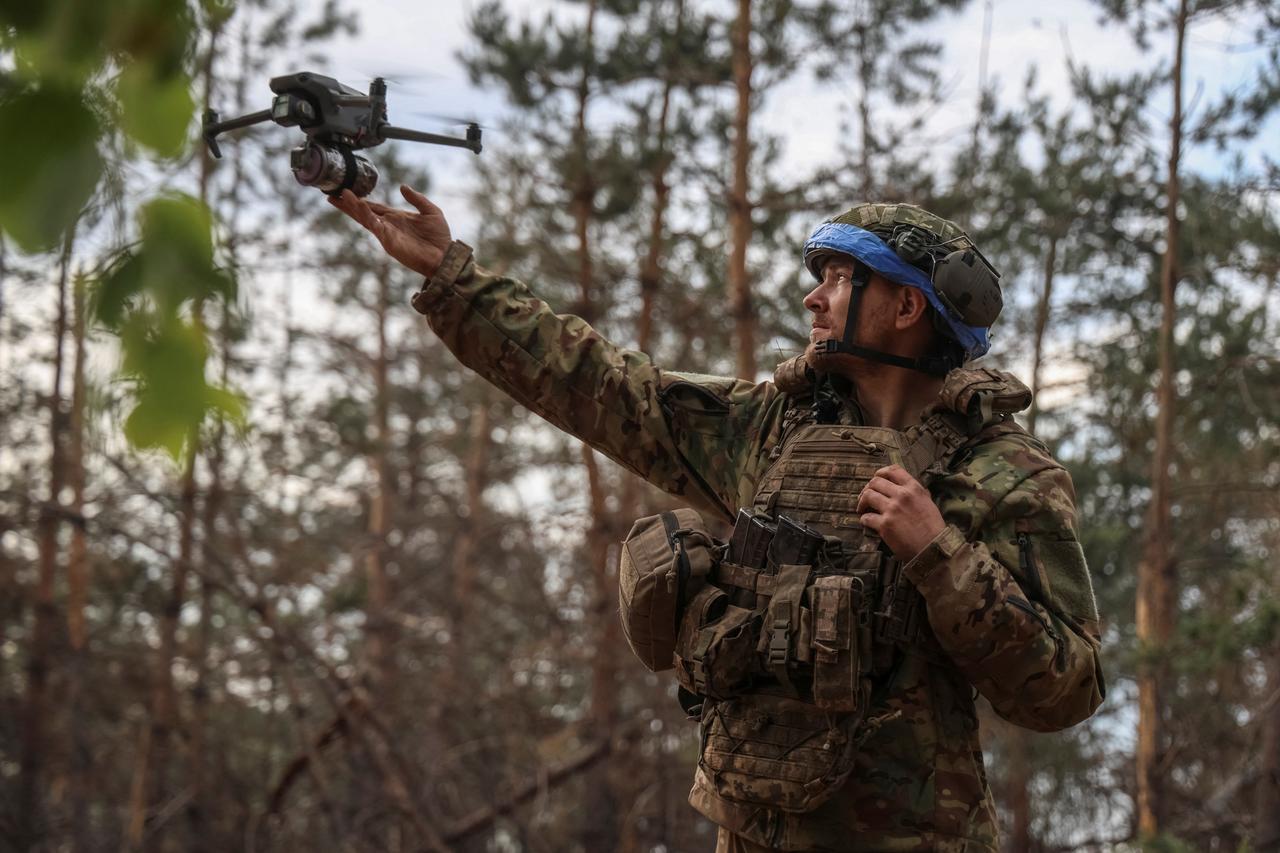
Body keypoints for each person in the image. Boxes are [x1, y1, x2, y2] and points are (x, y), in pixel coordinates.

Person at [330, 185, 1105, 852]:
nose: (813, 295)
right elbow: (601, 384)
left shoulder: (1004, 474)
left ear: (908, 306)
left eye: (841, 277)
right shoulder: (771, 429)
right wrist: (450, 276)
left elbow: (1066, 688)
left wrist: (938, 554)